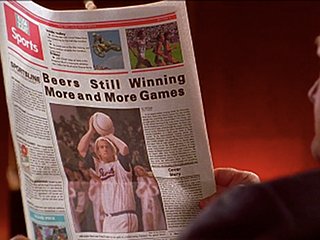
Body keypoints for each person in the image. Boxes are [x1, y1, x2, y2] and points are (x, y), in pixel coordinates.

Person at [77, 115, 138, 233]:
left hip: (124, 216)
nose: (104, 149)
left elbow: (124, 149)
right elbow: (81, 149)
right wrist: (91, 131)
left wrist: (108, 134)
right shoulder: (99, 166)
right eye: (101, 147)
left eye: (107, 147)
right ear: (98, 151)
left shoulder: (121, 164)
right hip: (108, 218)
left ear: (113, 149)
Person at [134, 165, 167, 231]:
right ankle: (149, 230)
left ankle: (157, 229)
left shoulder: (150, 177)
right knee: (147, 216)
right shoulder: (139, 180)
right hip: (145, 201)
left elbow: (156, 190)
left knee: (155, 215)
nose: (140, 172)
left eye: (140, 170)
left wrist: (150, 186)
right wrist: (143, 189)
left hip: (153, 199)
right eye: (137, 171)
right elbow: (138, 192)